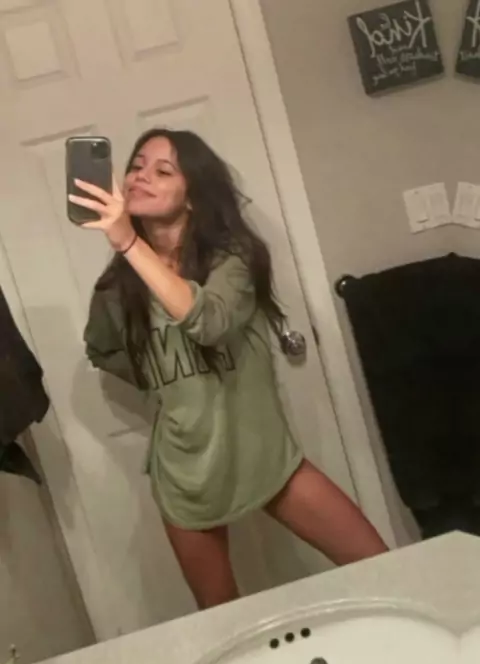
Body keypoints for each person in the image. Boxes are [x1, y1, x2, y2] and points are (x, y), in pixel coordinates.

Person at [73, 128, 388, 610]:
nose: (140, 177)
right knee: (223, 616)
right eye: (136, 166)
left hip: (265, 457)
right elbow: (101, 349)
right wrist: (165, 379)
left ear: (193, 195)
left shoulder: (233, 258)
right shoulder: (118, 288)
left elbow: (209, 322)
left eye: (163, 170)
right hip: (185, 476)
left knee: (384, 568)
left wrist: (128, 243)